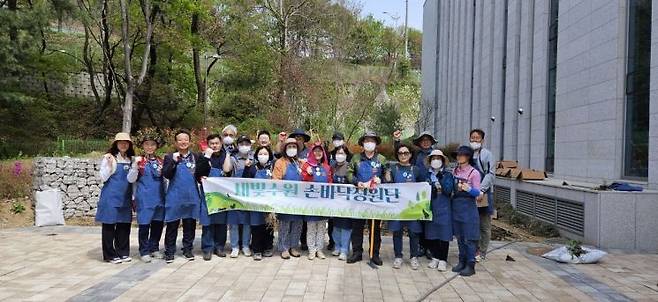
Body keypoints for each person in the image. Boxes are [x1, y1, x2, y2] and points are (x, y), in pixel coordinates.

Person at [346, 131, 387, 265]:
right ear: (363, 143)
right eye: (367, 140)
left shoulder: (381, 159)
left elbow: (388, 175)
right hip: (359, 198)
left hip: (375, 199)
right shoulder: (356, 158)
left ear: (376, 144)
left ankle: (374, 254)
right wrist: (357, 182)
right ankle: (357, 252)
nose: (369, 143)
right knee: (357, 227)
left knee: (375, 228)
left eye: (372, 140)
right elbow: (349, 173)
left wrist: (382, 180)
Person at [96, 132, 138, 264]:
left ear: (129, 145)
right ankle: (109, 254)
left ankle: (123, 252)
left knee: (124, 225)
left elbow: (132, 179)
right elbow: (103, 177)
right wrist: (109, 166)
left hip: (125, 197)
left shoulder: (131, 160)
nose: (123, 144)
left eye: (126, 142)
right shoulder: (109, 158)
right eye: (120, 142)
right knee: (109, 225)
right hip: (111, 197)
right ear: (116, 144)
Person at [162, 129, 202, 263]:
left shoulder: (196, 157)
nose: (183, 142)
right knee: (172, 224)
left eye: (185, 139)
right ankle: (169, 251)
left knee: (190, 224)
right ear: (175, 142)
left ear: (190, 142)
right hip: (175, 196)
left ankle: (187, 249)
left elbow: (200, 175)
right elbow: (166, 174)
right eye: (180, 140)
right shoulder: (169, 157)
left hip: (191, 195)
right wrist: (173, 162)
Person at [384, 143, 424, 270]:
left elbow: (423, 186)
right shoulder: (393, 168)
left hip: (412, 207)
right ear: (397, 155)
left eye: (406, 153)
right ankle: (398, 256)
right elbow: (388, 185)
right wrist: (387, 178)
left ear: (410, 155)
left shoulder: (416, 169)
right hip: (397, 206)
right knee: (397, 232)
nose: (403, 155)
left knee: (414, 233)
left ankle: (414, 257)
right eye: (400, 153)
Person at [195, 133, 232, 261]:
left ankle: (219, 247)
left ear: (221, 143)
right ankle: (207, 249)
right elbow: (198, 173)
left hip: (222, 195)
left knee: (221, 223)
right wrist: (207, 156)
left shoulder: (224, 155)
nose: (214, 145)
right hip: (208, 195)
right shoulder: (203, 156)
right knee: (207, 222)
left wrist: (227, 154)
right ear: (208, 144)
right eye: (211, 143)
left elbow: (227, 170)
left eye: (216, 143)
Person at [133, 130, 166, 263]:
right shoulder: (138, 161)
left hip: (159, 196)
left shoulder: (161, 161)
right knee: (144, 225)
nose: (150, 147)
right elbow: (132, 179)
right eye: (147, 144)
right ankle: (144, 250)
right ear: (142, 146)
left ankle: (154, 248)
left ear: (156, 146)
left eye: (152, 144)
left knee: (158, 224)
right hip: (144, 197)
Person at [451, 146, 482, 276]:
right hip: (456, 207)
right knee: (460, 237)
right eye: (458, 155)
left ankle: (470, 264)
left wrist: (468, 189)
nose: (459, 157)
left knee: (469, 238)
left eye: (462, 155)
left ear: (468, 157)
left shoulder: (474, 173)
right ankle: (461, 261)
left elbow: (478, 193)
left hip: (468, 208)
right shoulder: (455, 171)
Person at [273, 138, 306, 259]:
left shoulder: (301, 163)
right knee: (284, 225)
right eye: (289, 146)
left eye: (294, 146)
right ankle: (283, 248)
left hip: (299, 200)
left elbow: (307, 178)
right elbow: (275, 180)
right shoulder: (280, 162)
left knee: (297, 225)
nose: (292, 149)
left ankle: (293, 246)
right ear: (285, 149)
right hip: (285, 199)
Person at [242, 145, 274, 261]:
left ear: (270, 156)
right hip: (255, 203)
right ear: (256, 156)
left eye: (265, 154)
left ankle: (268, 247)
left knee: (268, 226)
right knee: (256, 227)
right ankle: (257, 250)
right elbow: (245, 181)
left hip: (269, 202)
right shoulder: (252, 168)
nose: (263, 156)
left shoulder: (272, 167)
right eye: (260, 154)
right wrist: (246, 168)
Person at [301, 142, 332, 260]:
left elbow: (330, 183)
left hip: (323, 202)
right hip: (310, 203)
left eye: (320, 151)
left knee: (322, 227)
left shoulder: (327, 167)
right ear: (312, 152)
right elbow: (302, 183)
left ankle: (319, 249)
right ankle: (311, 250)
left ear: (323, 153)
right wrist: (307, 174)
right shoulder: (306, 166)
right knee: (311, 227)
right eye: (315, 151)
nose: (318, 153)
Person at [424, 150, 453, 272]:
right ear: (430, 161)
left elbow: (448, 190)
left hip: (444, 206)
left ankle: (443, 259)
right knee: (432, 233)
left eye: (438, 158)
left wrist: (440, 179)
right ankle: (435, 257)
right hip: (431, 206)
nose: (436, 160)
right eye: (433, 158)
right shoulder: (426, 175)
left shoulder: (447, 175)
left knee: (444, 234)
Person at [225, 135, 254, 258]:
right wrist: (227, 154)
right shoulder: (233, 158)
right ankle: (235, 246)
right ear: (237, 146)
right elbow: (227, 169)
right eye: (241, 144)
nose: (244, 146)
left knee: (247, 222)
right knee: (234, 222)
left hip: (249, 195)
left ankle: (246, 246)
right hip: (234, 194)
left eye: (247, 144)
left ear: (250, 146)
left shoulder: (254, 159)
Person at [469, 129, 495, 262]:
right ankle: (474, 249)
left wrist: (481, 190)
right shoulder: (467, 154)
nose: (474, 141)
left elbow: (490, 174)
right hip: (468, 193)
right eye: (472, 138)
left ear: (482, 140)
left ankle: (482, 251)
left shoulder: (486, 155)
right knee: (472, 222)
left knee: (484, 224)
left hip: (483, 194)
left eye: (477, 138)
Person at [330, 145, 352, 261]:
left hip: (347, 202)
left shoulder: (349, 167)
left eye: (342, 153)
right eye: (338, 153)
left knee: (346, 227)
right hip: (334, 201)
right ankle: (337, 246)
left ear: (346, 155)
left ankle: (344, 249)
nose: (340, 155)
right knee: (336, 226)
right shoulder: (332, 166)